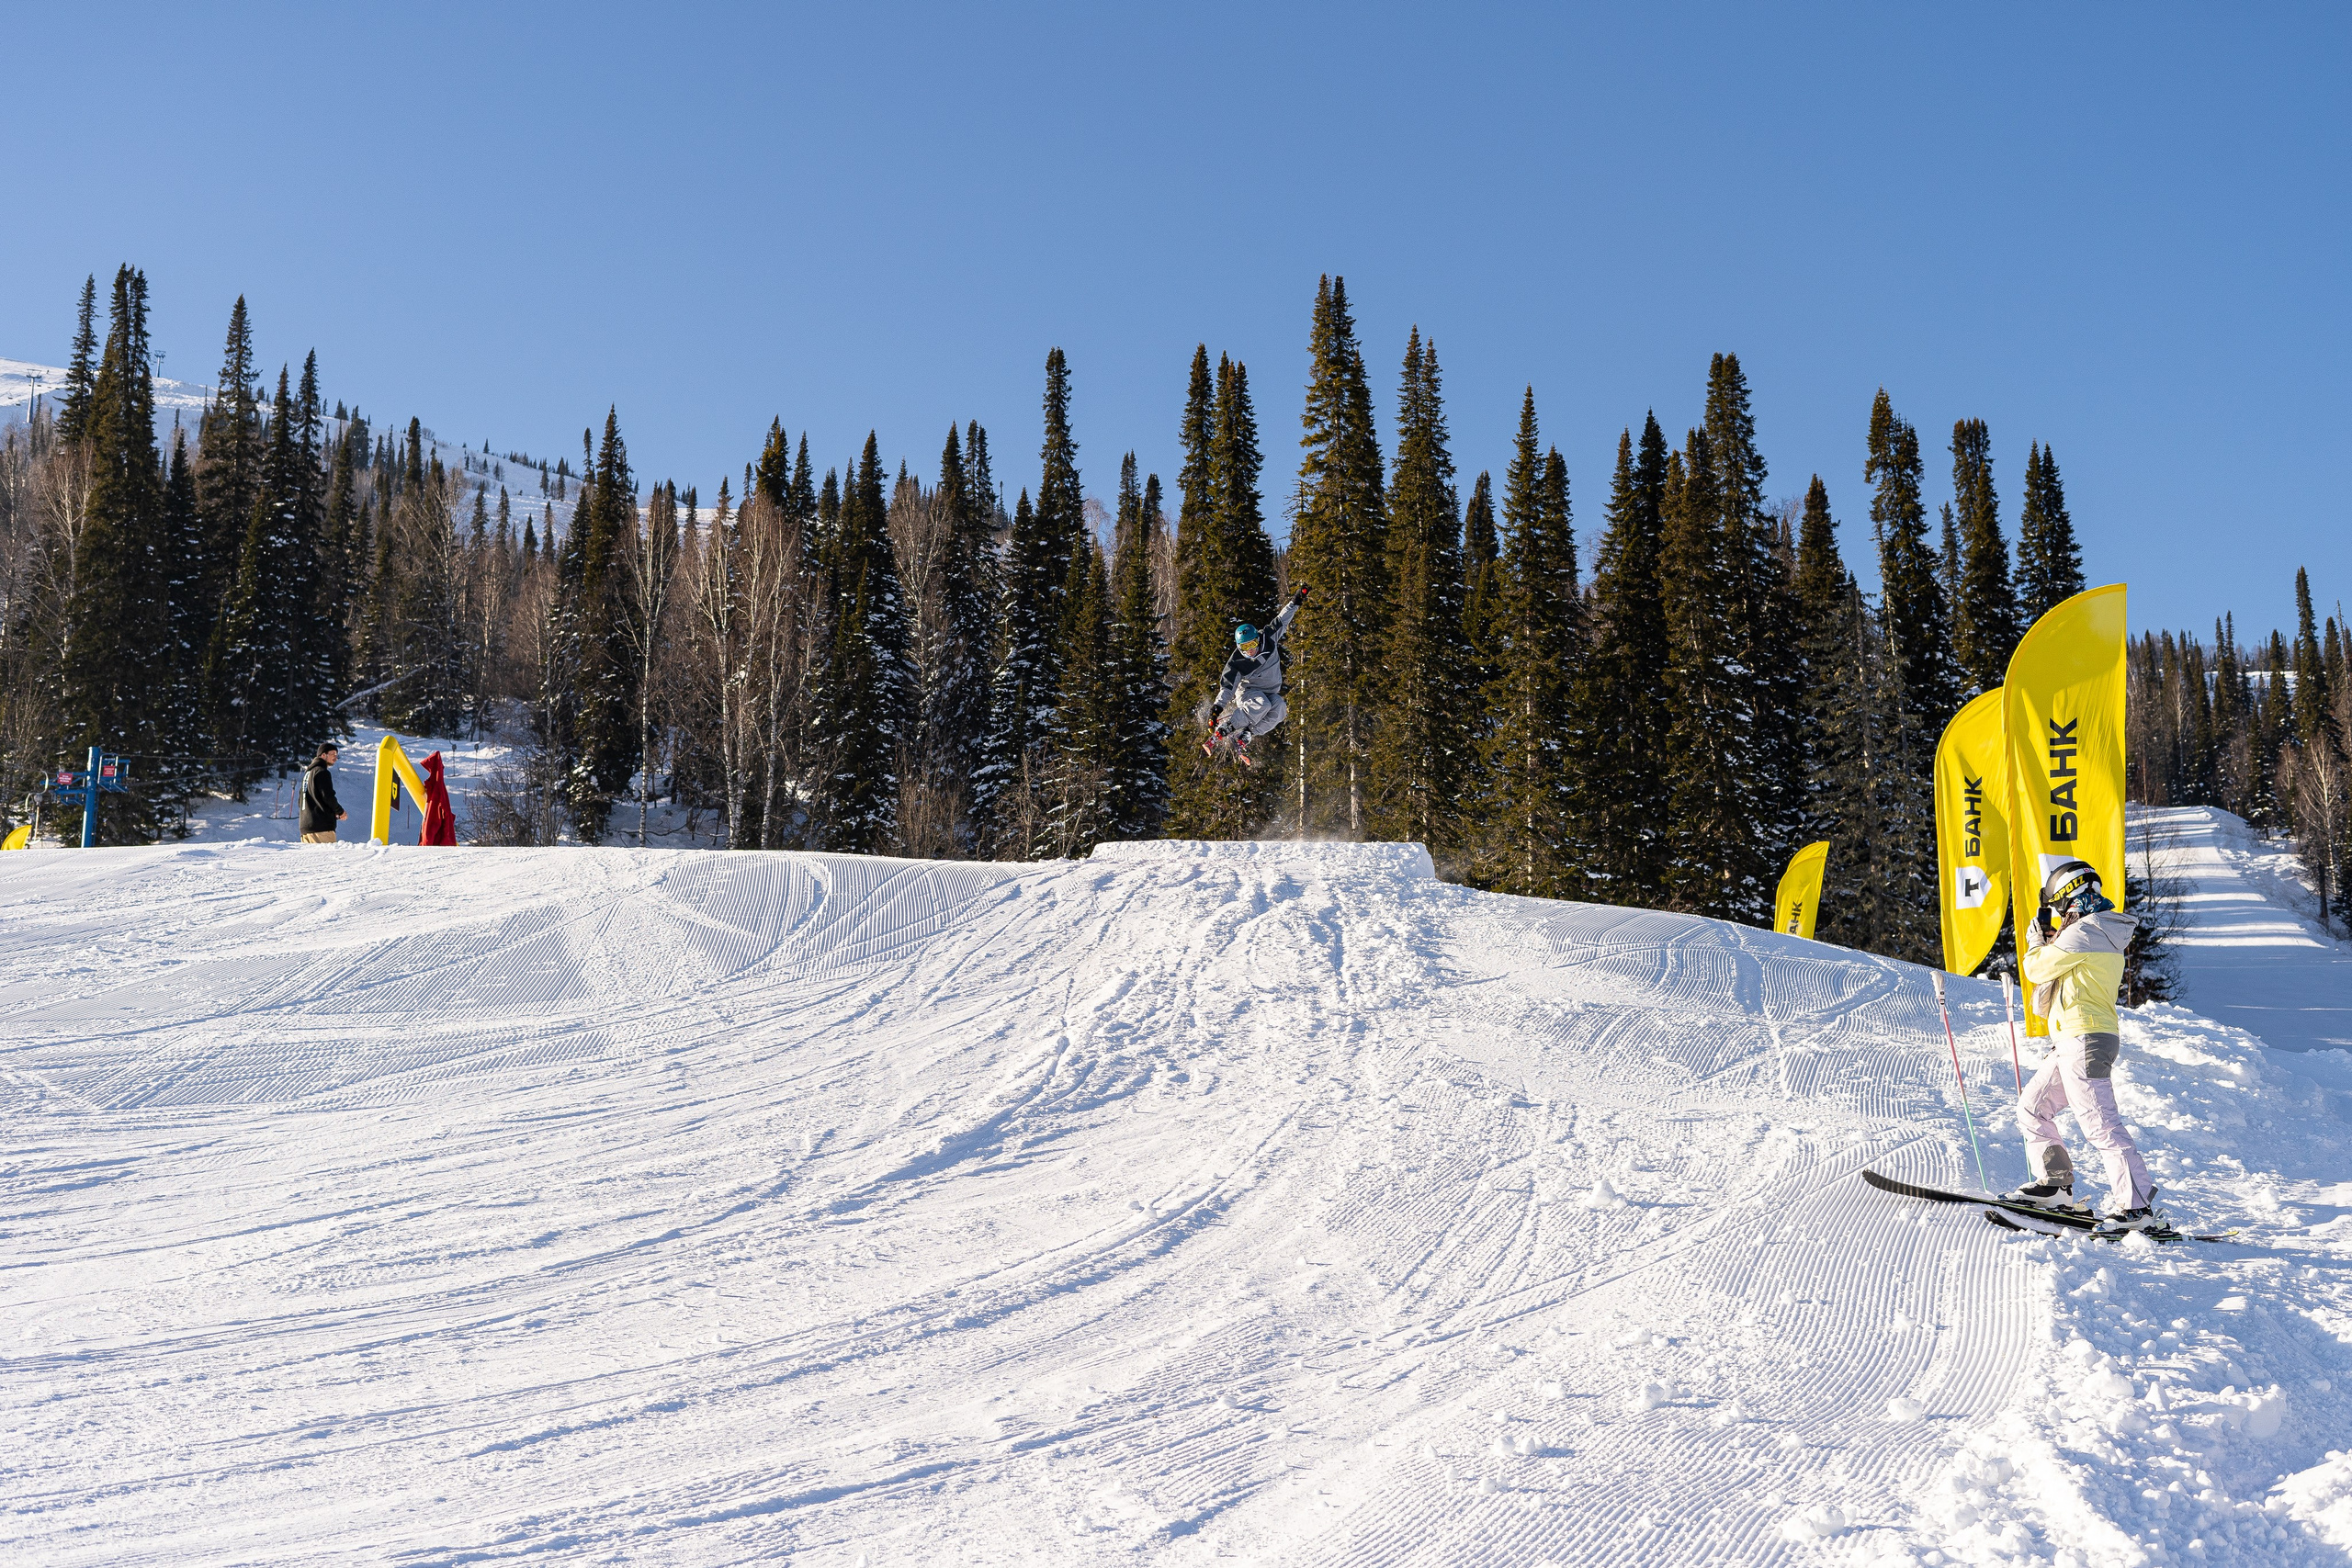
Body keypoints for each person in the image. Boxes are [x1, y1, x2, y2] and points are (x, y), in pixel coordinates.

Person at [2009, 859, 2160, 1232]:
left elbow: (2036, 969)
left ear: (2068, 898)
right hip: (2074, 1039)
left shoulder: (2089, 931)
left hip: (2085, 1039)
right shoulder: (2093, 930)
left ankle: (2136, 1207)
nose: (2057, 915)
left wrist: (2036, 942)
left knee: (2101, 1126)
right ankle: (2054, 1186)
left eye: (2057, 907)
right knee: (2033, 1107)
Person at [1204, 586, 1309, 766]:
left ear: (1258, 639)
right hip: (1249, 692)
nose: (1250, 650)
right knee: (1262, 703)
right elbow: (1227, 688)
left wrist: (1296, 601)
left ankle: (1247, 734)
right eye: (1245, 647)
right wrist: (1216, 709)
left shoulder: (1268, 638)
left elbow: (1282, 619)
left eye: (1252, 644)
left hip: (1270, 691)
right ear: (1239, 647)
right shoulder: (1236, 663)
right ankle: (1226, 729)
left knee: (1280, 708)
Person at [300, 744, 346, 845]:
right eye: (333, 754)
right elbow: (328, 796)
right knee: (326, 859)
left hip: (305, 828)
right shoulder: (322, 772)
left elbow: (301, 800)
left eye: (336, 755)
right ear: (323, 755)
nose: (335, 757)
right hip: (321, 827)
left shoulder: (307, 774)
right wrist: (340, 811)